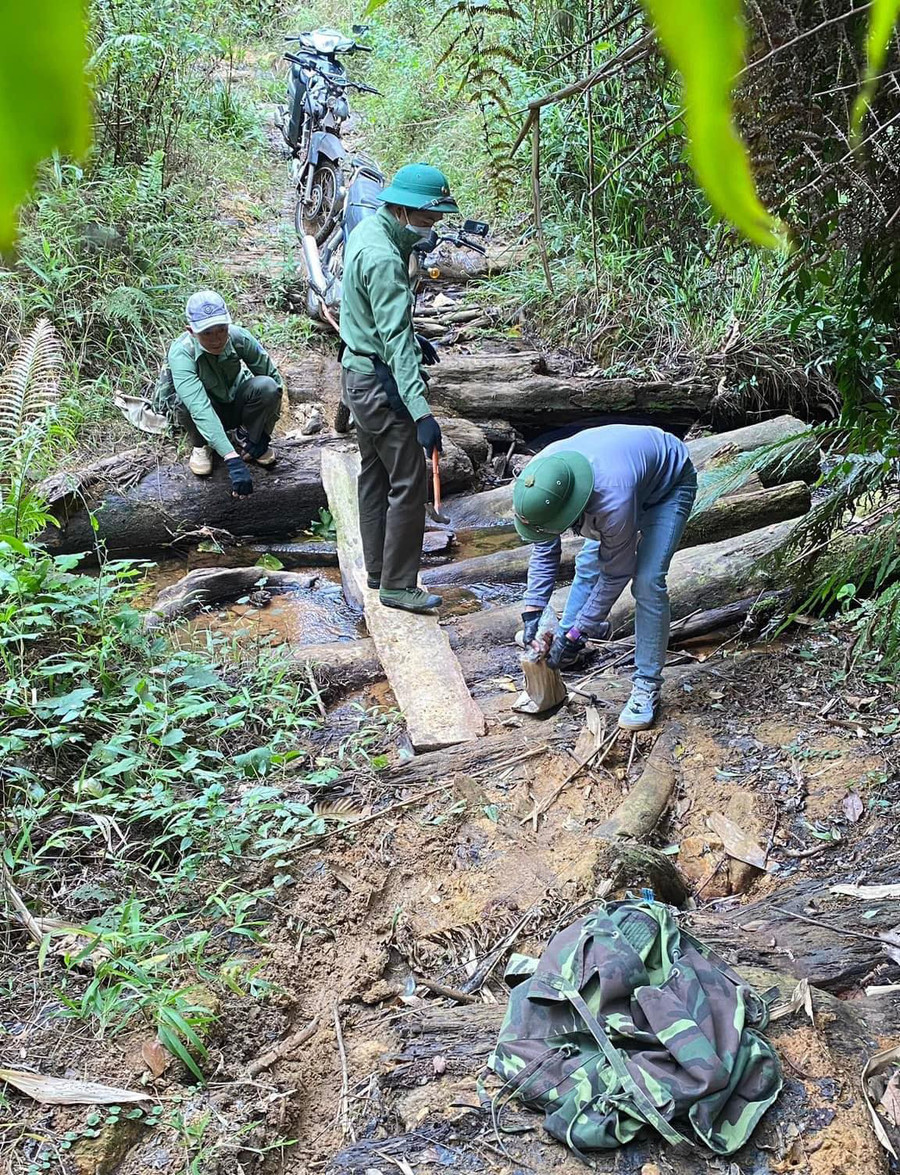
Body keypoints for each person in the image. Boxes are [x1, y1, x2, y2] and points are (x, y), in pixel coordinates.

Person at [514, 424, 697, 731]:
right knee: (587, 564)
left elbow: (616, 573)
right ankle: (563, 642)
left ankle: (646, 686)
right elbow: (545, 551)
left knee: (648, 582)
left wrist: (578, 632)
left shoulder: (612, 500)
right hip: (618, 480)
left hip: (668, 486)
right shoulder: (537, 483)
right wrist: (533, 611)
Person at [339, 162, 458, 615]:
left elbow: (369, 315)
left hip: (356, 374)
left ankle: (377, 571)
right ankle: (399, 586)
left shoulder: (369, 231)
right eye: (428, 220)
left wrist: (411, 333)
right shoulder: (386, 259)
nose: (432, 228)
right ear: (405, 209)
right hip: (380, 383)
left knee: (373, 475)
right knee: (407, 482)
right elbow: (393, 344)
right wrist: (422, 413)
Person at [160, 291, 284, 497]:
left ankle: (247, 436)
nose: (216, 339)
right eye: (207, 333)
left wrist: (264, 434)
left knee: (267, 386)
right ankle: (202, 445)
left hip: (235, 401)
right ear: (191, 331)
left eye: (221, 330)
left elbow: (275, 383)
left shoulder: (239, 337)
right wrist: (232, 459)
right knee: (183, 402)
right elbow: (199, 407)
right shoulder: (181, 353)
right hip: (206, 409)